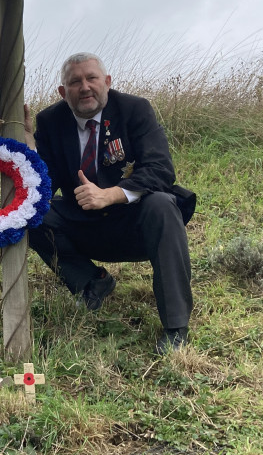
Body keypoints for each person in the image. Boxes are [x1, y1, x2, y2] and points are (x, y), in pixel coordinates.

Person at [26, 53, 196, 353]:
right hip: (84, 224)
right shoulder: (50, 121)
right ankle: (93, 282)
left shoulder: (134, 109)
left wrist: (111, 194)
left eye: (91, 78)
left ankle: (175, 326)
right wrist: (28, 146)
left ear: (107, 82)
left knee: (163, 205)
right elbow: (43, 184)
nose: (85, 87)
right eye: (75, 82)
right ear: (63, 93)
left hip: (135, 223)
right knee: (31, 215)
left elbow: (160, 169)